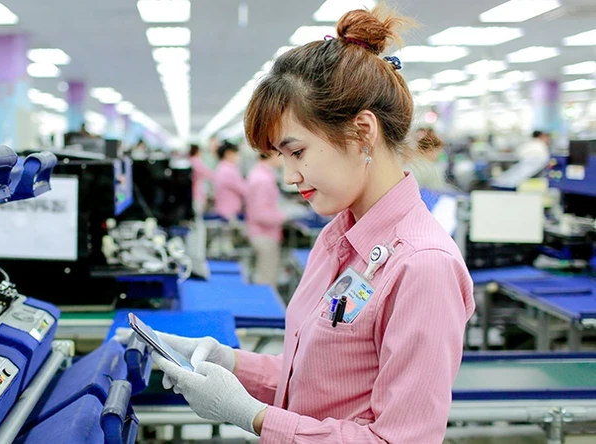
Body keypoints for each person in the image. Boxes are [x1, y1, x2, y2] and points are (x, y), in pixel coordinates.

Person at [143, 6, 475, 442]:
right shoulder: (338, 239)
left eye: (296, 152)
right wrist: (230, 363)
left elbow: (399, 438)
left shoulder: (423, 267)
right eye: (281, 157)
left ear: (362, 132)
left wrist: (256, 418)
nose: (288, 176)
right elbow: (317, 377)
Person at [244, 151, 286, 286]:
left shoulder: (258, 174)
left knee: (264, 275)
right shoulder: (263, 180)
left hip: (259, 232)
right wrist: (284, 216)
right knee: (267, 280)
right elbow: (261, 214)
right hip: (265, 235)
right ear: (271, 154)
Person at [212, 140, 247, 220]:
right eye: (236, 153)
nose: (238, 157)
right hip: (230, 213)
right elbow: (244, 189)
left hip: (224, 210)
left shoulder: (222, 167)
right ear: (228, 154)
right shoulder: (229, 171)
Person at [189, 143, 215, 213]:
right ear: (197, 151)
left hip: (191, 190)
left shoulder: (190, 160)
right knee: (198, 210)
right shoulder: (197, 162)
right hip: (197, 191)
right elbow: (207, 173)